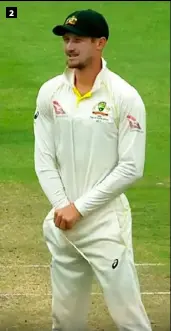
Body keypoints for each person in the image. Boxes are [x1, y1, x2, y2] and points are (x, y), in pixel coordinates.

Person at [34, 8, 152, 331]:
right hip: (64, 223)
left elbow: (131, 167)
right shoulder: (50, 93)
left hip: (104, 225)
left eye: (79, 40)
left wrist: (80, 208)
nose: (69, 46)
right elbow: (43, 159)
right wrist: (63, 207)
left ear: (100, 43)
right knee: (66, 321)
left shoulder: (124, 97)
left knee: (130, 320)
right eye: (67, 40)